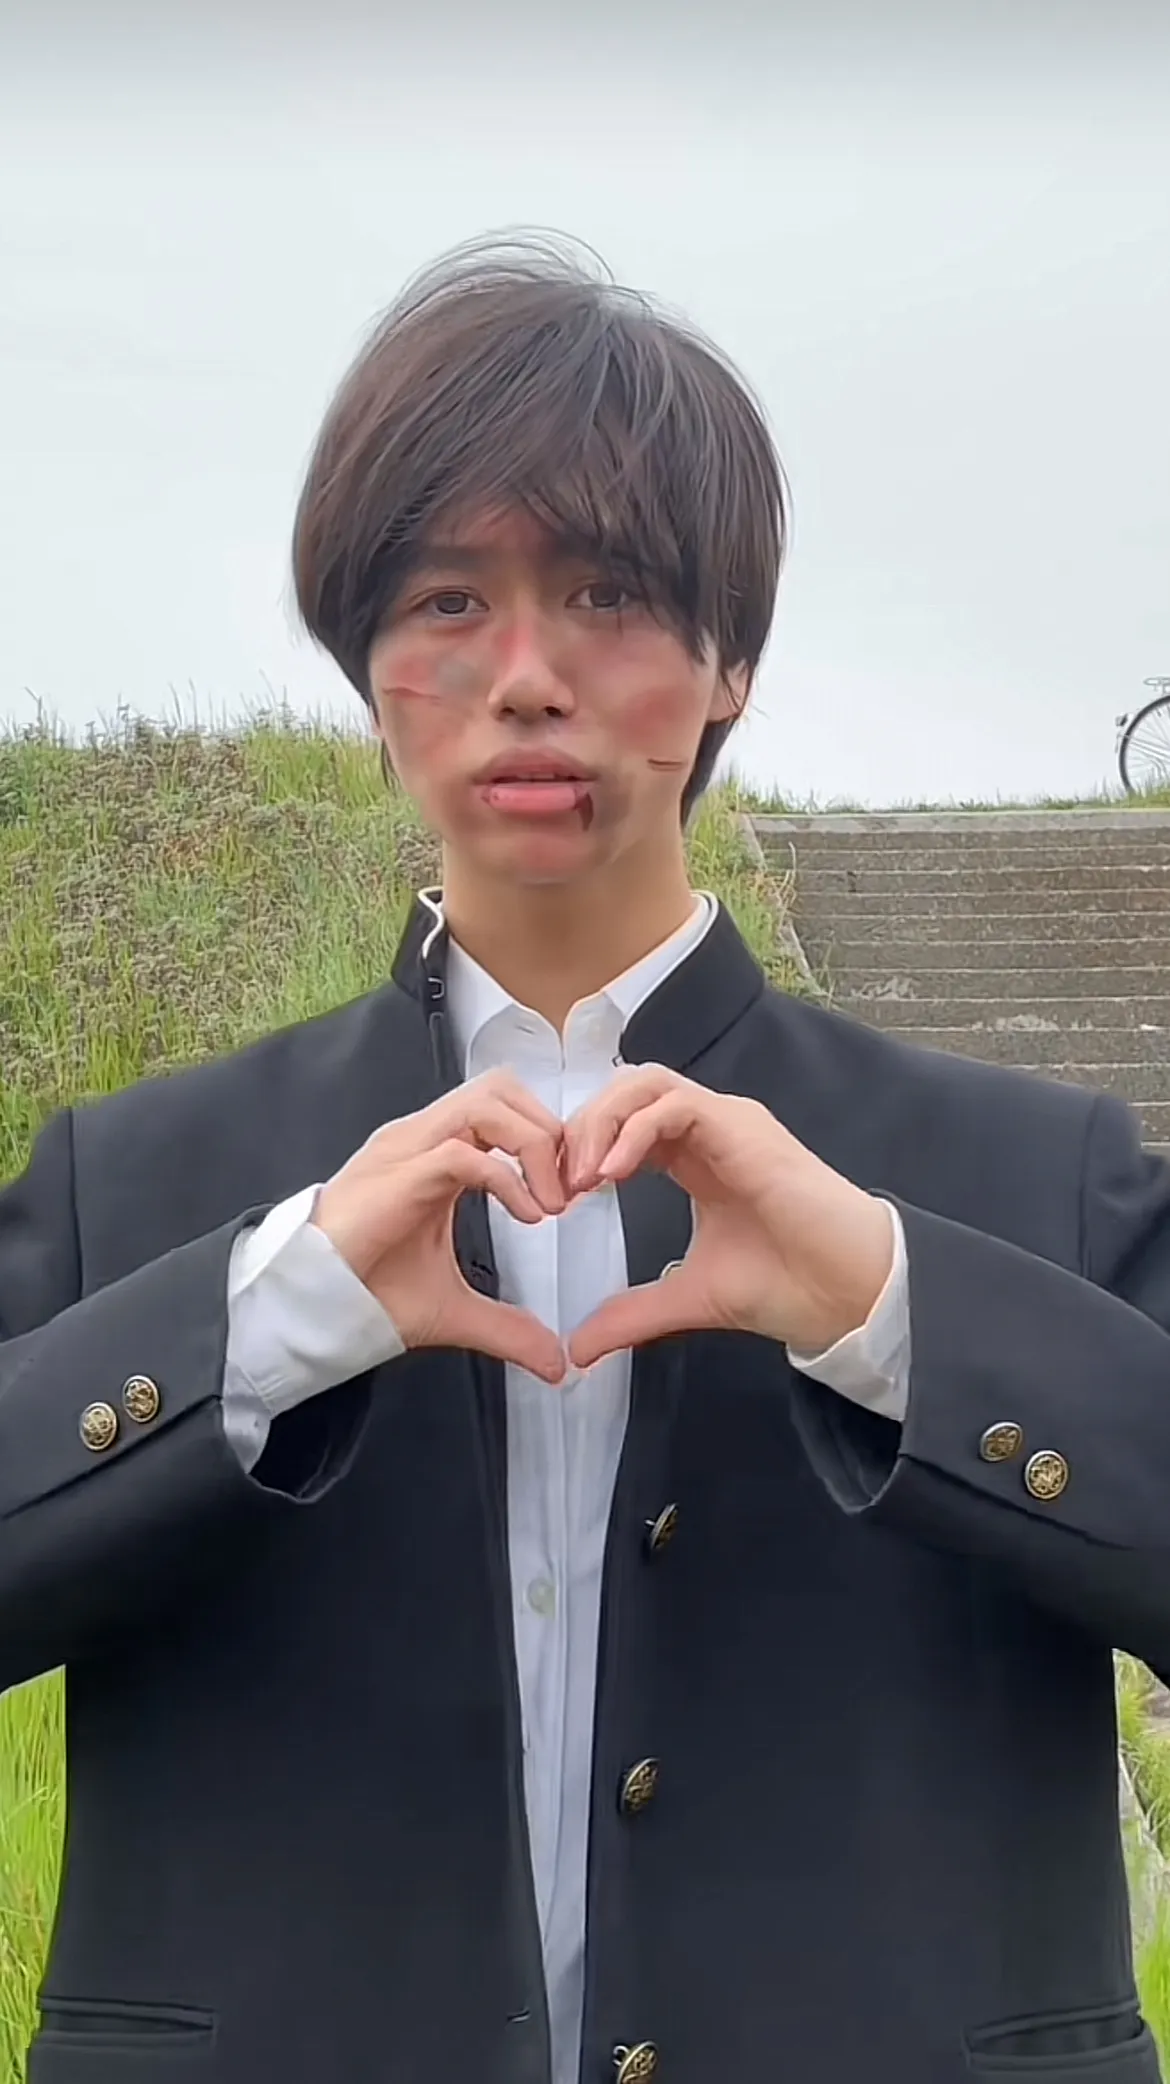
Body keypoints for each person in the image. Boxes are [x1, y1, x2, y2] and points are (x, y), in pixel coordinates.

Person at [2, 235, 1168, 2084]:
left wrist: (893, 1313)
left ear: (731, 663)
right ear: (368, 667)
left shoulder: (1033, 1176)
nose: (525, 675)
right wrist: (273, 1316)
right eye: (447, 600)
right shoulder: (131, 1183)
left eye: (610, 593)